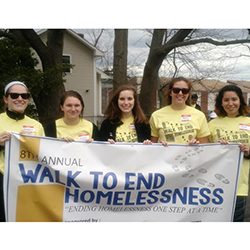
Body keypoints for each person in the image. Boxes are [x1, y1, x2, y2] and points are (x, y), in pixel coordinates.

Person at [0, 81, 45, 222]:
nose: (20, 99)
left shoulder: (36, 125)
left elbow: (45, 155)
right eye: (14, 95)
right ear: (5, 99)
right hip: (2, 179)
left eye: (24, 95)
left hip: (28, 181)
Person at [208, 85, 250, 222]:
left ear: (241, 101)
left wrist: (249, 151)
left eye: (234, 99)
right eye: (226, 100)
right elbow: (204, 153)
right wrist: (217, 148)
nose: (230, 103)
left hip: (240, 186)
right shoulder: (212, 124)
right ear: (221, 102)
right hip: (215, 185)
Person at [150, 77, 210, 145]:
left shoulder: (200, 115)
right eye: (176, 90)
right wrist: (159, 146)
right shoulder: (156, 115)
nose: (180, 93)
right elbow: (153, 147)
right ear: (170, 92)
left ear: (188, 93)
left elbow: (203, 147)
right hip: (165, 155)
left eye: (184, 91)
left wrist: (196, 145)